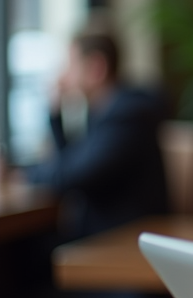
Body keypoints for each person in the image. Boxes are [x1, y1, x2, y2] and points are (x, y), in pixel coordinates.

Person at [25, 25, 169, 238]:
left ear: (96, 68)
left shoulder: (127, 117)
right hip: (105, 233)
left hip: (124, 239)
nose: (64, 75)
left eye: (71, 64)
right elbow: (71, 163)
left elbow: (71, 177)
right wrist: (56, 116)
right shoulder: (103, 114)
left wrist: (24, 175)